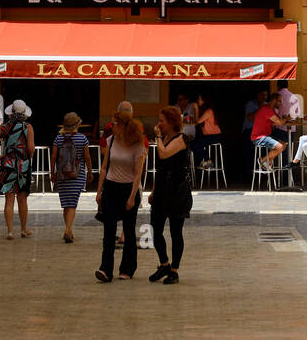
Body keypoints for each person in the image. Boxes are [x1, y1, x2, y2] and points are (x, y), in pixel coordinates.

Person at [95, 108, 146, 282]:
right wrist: (99, 190)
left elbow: (138, 173)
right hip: (111, 187)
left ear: (124, 126)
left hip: (128, 189)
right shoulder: (111, 140)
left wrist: (132, 197)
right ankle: (105, 269)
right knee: (108, 230)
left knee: (129, 230)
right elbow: (104, 167)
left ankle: (127, 268)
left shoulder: (137, 144)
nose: (111, 126)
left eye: (114, 124)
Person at [148, 105, 192, 285]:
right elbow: (160, 168)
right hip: (162, 190)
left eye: (161, 121)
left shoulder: (181, 138)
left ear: (172, 122)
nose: (158, 124)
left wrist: (158, 137)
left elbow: (164, 154)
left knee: (175, 232)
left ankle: (174, 270)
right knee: (155, 229)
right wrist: (153, 190)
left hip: (177, 192)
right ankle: (164, 264)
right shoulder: (164, 137)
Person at [0, 99, 35, 238]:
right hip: (23, 166)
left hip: (8, 165)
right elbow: (30, 148)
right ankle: (23, 229)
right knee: (22, 199)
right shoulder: (28, 127)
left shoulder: (6, 127)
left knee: (8, 200)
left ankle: (10, 231)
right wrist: (29, 155)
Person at [51, 111, 92, 242]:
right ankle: (68, 230)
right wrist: (90, 171)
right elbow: (87, 157)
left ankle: (68, 229)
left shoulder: (58, 138)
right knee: (72, 204)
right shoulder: (82, 138)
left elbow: (53, 157)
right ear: (77, 124)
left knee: (66, 204)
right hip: (77, 175)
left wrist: (52, 173)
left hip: (62, 175)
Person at [251, 92, 292, 176]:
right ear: (274, 100)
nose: (281, 103)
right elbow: (279, 122)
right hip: (259, 137)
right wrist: (287, 118)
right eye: (279, 101)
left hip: (265, 136)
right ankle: (262, 160)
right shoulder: (267, 110)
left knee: (283, 144)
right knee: (280, 147)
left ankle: (268, 161)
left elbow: (276, 122)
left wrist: (284, 119)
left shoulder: (270, 110)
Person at [242, 89, 268, 177]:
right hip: (249, 131)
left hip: (261, 132)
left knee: (262, 153)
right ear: (257, 95)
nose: (264, 97)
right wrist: (261, 107)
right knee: (250, 154)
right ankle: (250, 176)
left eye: (265, 95)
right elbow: (250, 118)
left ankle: (262, 176)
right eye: (262, 94)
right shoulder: (251, 104)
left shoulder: (266, 105)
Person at [192, 95, 222, 170]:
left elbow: (197, 121)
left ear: (204, 101)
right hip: (208, 136)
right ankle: (206, 160)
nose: (198, 101)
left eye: (199, 99)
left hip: (215, 136)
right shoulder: (204, 111)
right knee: (194, 143)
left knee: (196, 143)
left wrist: (196, 109)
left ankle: (208, 160)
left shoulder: (209, 111)